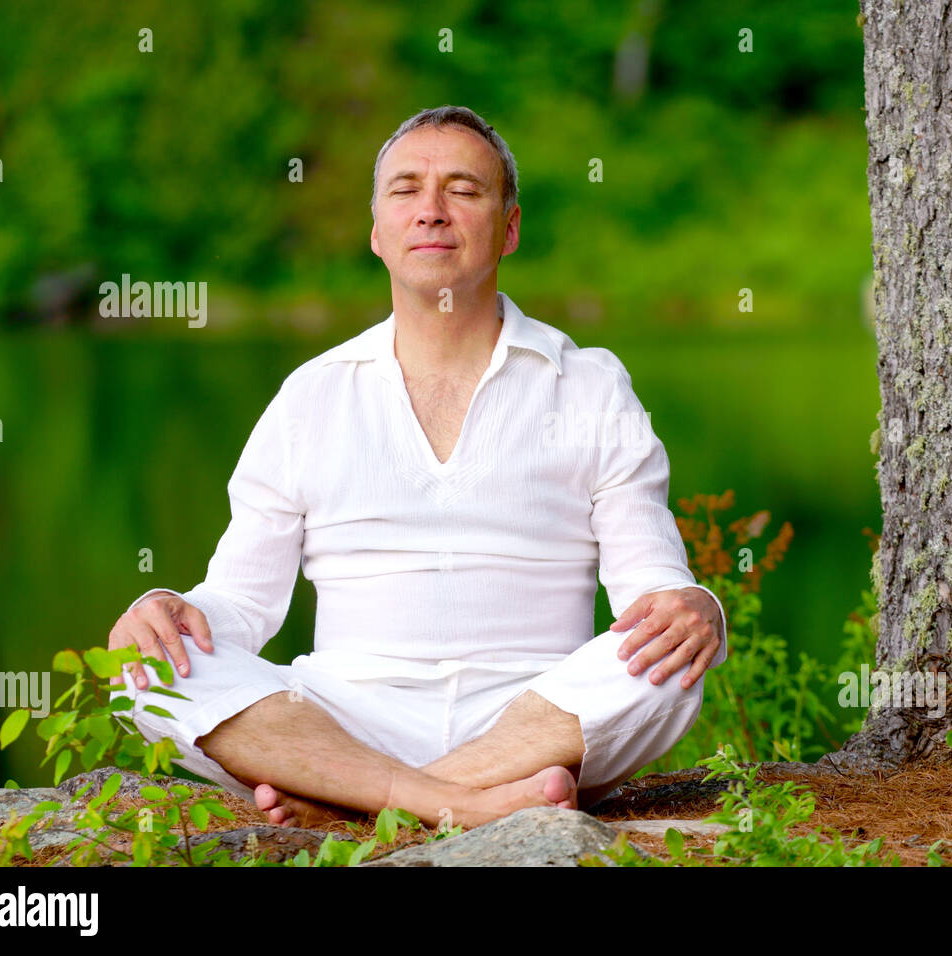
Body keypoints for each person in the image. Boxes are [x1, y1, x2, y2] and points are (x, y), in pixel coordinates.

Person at [107, 105, 727, 831]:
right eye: (405, 190)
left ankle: (353, 802)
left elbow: (649, 588)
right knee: (140, 671)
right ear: (377, 232)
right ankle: (462, 802)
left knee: (669, 663)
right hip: (338, 715)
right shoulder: (312, 395)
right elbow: (240, 607)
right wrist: (166, 609)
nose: (431, 210)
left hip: (533, 712)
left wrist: (695, 606)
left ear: (510, 227)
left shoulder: (588, 386)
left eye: (463, 190)